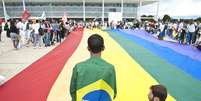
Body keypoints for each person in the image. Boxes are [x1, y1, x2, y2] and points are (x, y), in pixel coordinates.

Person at [70, 34, 117, 101]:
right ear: (103, 48)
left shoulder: (78, 67)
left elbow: (73, 91)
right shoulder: (110, 68)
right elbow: (113, 93)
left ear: (88, 48)